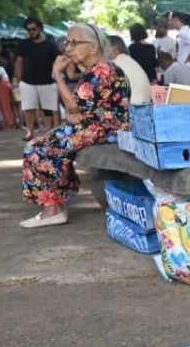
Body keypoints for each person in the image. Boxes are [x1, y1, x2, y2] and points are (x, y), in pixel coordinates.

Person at [20, 23, 130, 229]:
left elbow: (73, 107)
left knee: (36, 148)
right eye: (66, 42)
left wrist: (57, 76)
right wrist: (75, 116)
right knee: (46, 142)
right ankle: (55, 202)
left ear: (93, 48)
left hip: (106, 129)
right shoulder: (97, 70)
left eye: (74, 43)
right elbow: (79, 111)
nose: (67, 48)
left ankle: (52, 209)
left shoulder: (101, 71)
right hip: (100, 126)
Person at [14, 17, 60, 140]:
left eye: (33, 29)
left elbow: (58, 61)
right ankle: (30, 131)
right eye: (28, 30)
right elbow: (19, 61)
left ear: (40, 28)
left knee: (48, 108)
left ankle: (48, 131)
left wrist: (57, 76)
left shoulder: (50, 45)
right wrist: (19, 80)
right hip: (28, 82)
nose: (31, 32)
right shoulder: (24, 44)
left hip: (47, 82)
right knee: (28, 108)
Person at [106, 35, 152, 105]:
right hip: (142, 106)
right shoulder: (127, 60)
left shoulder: (117, 64)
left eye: (104, 47)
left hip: (134, 109)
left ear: (114, 48)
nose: (102, 52)